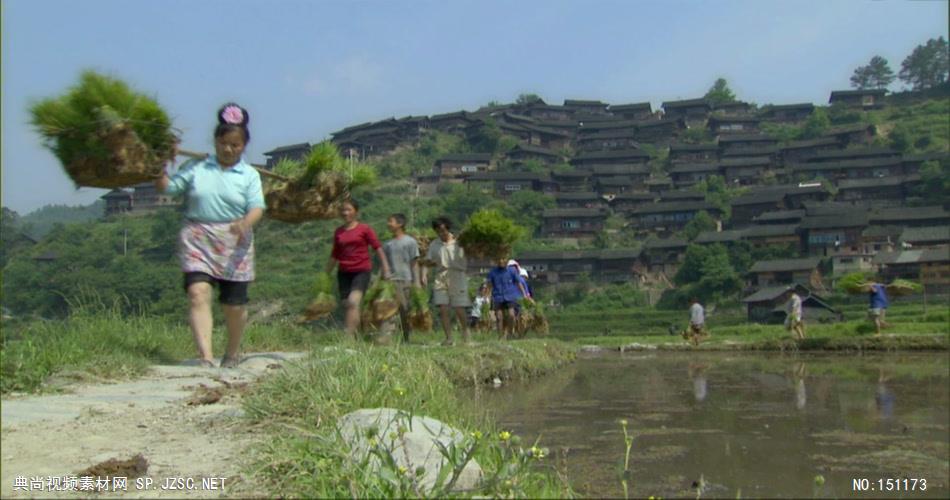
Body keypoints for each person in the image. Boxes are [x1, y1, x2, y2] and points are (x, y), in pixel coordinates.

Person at [155, 103, 264, 368]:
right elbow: (169, 188)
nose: (228, 149)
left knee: (234, 306)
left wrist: (244, 223)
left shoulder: (249, 175)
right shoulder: (197, 167)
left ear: (243, 146)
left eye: (235, 145)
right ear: (216, 141)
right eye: (224, 143)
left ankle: (232, 352)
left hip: (234, 241)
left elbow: (257, 207)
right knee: (198, 292)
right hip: (198, 238)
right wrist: (158, 165)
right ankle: (205, 356)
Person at [325, 199, 392, 339]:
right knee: (347, 305)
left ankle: (347, 337)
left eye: (349, 209)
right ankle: (358, 333)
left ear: (356, 211)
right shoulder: (339, 232)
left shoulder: (364, 229)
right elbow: (335, 254)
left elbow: (377, 248)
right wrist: (326, 274)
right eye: (343, 210)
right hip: (343, 272)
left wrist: (386, 268)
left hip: (361, 271)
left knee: (353, 302)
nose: (345, 212)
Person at [421, 217, 470, 345]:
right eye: (438, 231)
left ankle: (465, 333)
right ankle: (449, 338)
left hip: (457, 275)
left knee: (459, 308)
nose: (441, 233)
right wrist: (424, 274)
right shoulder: (434, 245)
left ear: (448, 229)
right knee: (443, 308)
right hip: (440, 276)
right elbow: (429, 261)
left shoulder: (459, 242)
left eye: (443, 230)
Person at [383, 213, 420, 343]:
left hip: (405, 280)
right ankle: (387, 338)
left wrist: (416, 282)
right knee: (389, 310)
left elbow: (414, 263)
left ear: (400, 224)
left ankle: (406, 337)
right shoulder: (388, 244)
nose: (388, 224)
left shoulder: (410, 242)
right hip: (391, 281)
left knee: (405, 310)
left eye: (391, 221)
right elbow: (384, 264)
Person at [487, 257, 533, 339]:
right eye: (500, 260)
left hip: (510, 296)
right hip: (498, 296)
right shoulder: (493, 273)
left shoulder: (512, 271)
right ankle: (500, 336)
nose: (501, 261)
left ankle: (510, 333)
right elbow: (489, 286)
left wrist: (524, 295)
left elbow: (519, 283)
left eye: (503, 260)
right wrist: (488, 297)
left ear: (506, 261)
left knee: (511, 315)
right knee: (499, 317)